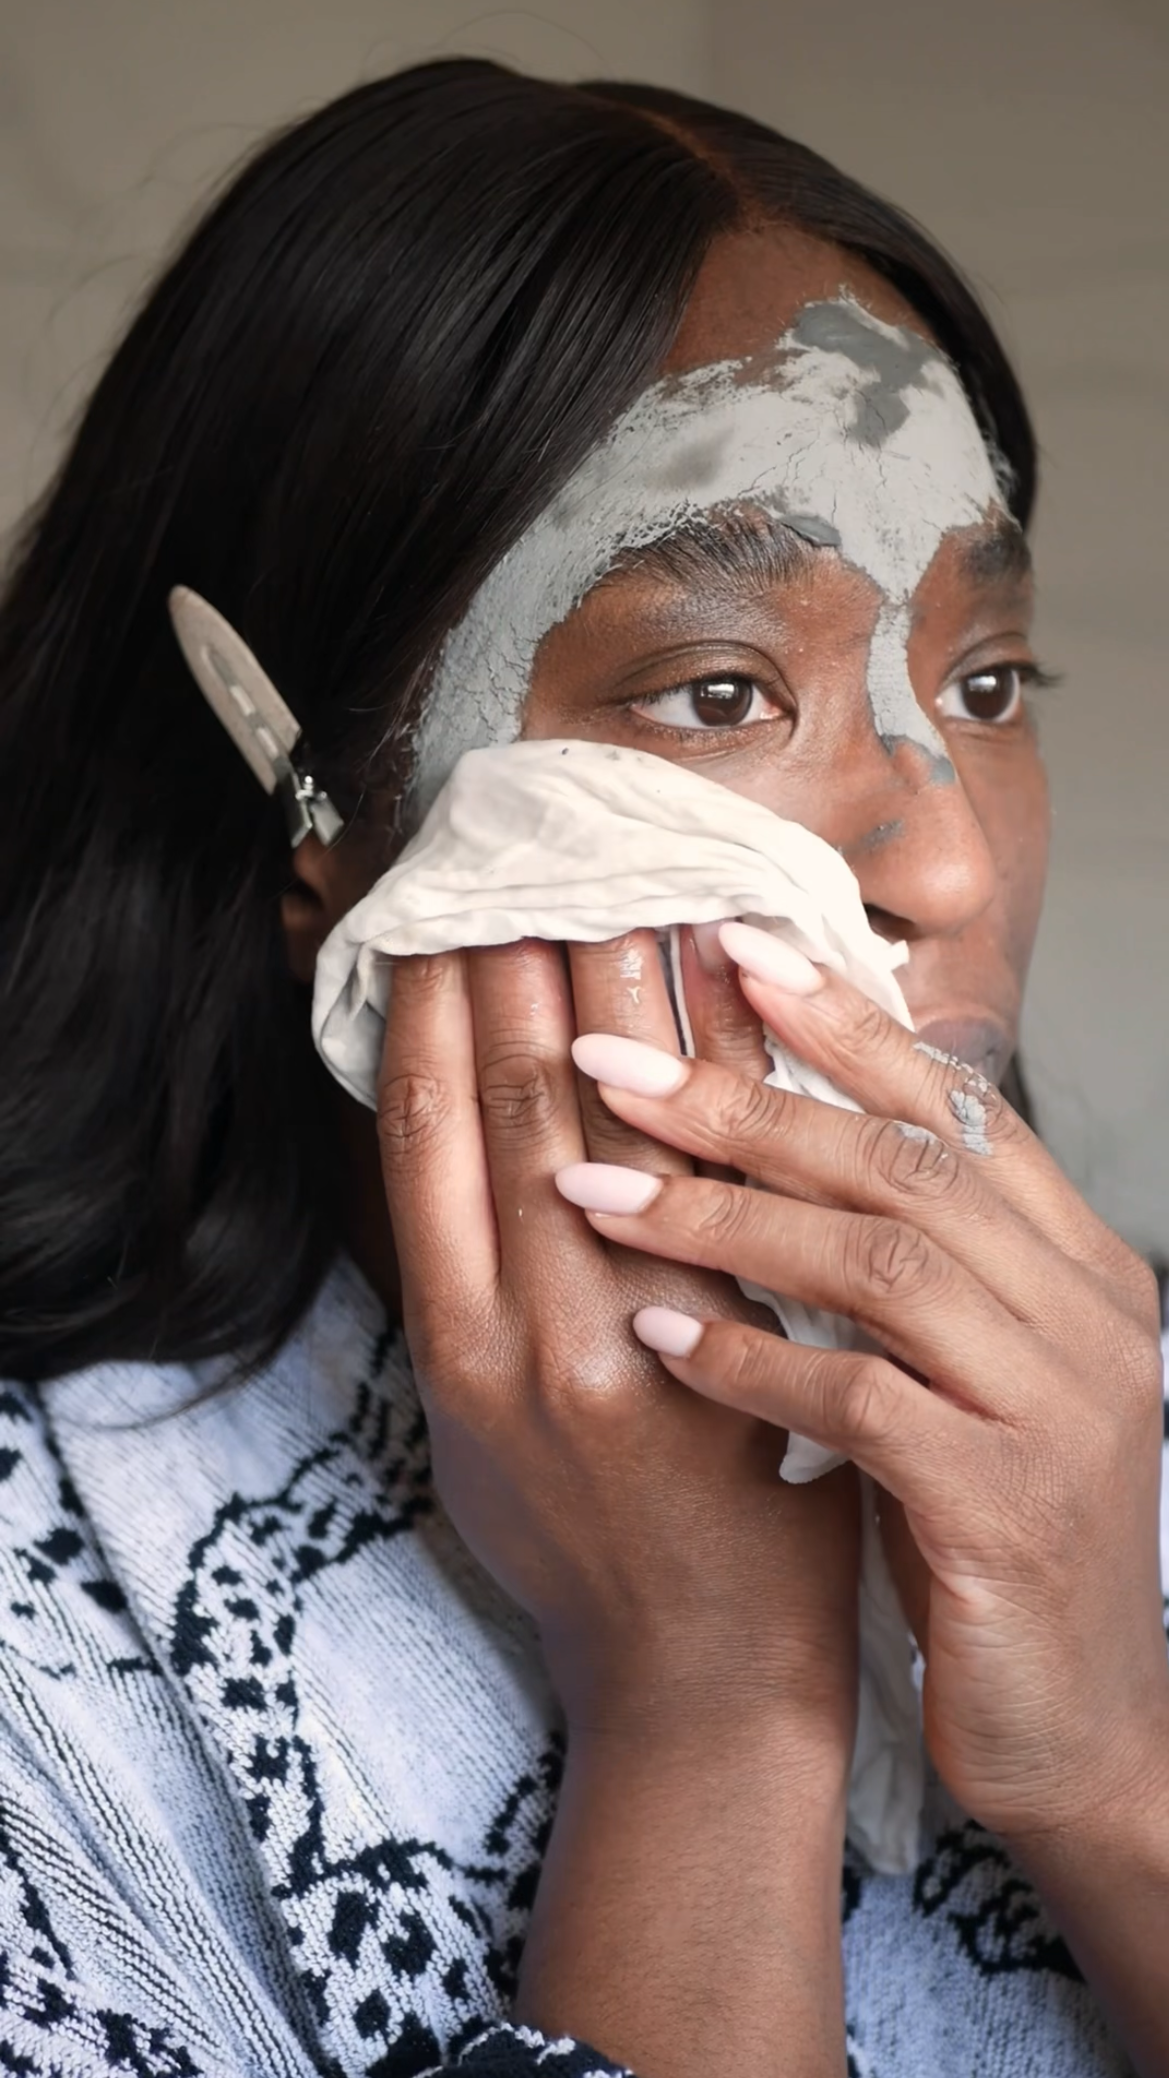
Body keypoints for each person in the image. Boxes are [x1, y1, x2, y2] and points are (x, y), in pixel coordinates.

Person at [0, 57, 1165, 2078]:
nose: (950, 859)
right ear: (323, 818)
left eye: (982, 682)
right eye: (722, 689)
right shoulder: (41, 1682)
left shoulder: (1116, 1399)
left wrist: (1112, 1764)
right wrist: (705, 1706)